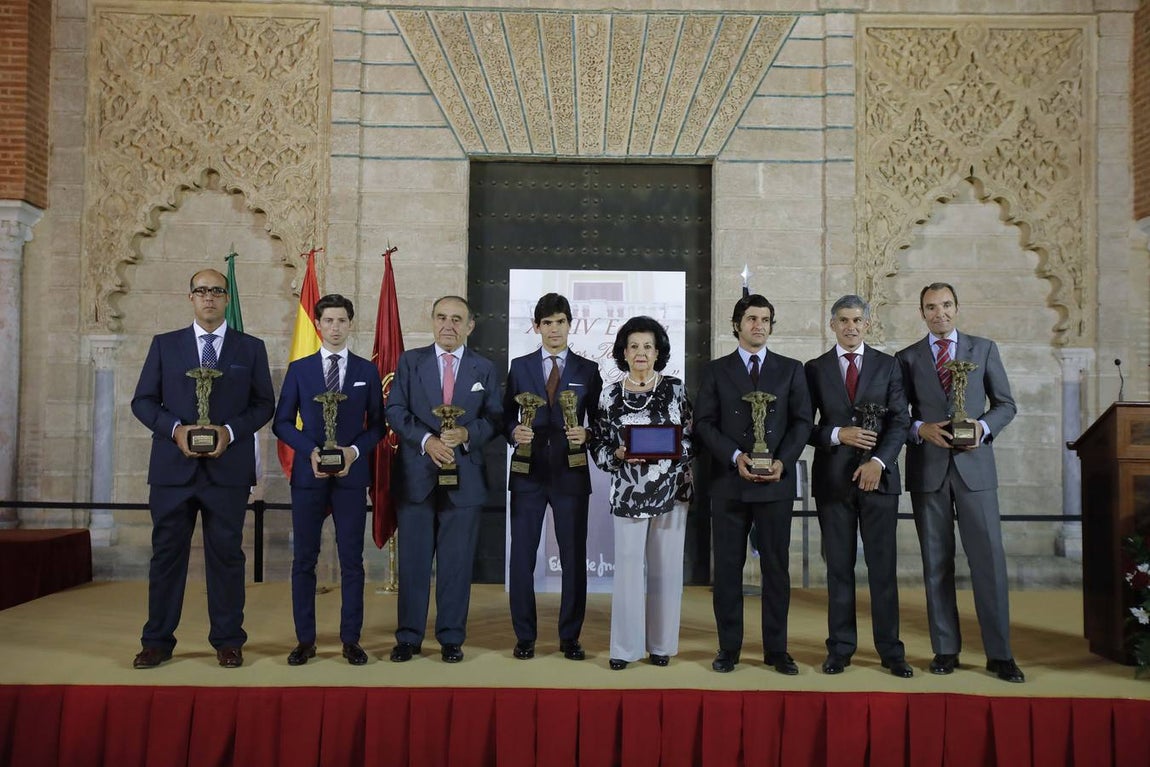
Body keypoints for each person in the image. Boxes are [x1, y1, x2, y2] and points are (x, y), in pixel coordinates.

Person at [130, 268, 275, 669]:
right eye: (201, 291)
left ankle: (228, 641)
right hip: (172, 472)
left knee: (227, 556)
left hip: (228, 472)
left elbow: (264, 404)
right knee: (166, 556)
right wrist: (175, 430)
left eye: (216, 291)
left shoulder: (250, 348)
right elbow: (142, 401)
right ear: (190, 297)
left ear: (227, 298)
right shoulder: (165, 345)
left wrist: (230, 431)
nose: (208, 297)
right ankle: (157, 641)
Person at [896, 282, 1024, 683]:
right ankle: (946, 649)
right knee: (936, 562)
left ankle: (1000, 654)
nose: (940, 313)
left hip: (976, 470)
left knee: (989, 563)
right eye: (931, 307)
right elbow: (898, 414)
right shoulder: (906, 358)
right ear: (922, 313)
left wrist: (981, 429)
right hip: (928, 470)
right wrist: (920, 429)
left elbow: (1006, 405)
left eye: (946, 305)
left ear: (957, 307)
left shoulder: (983, 349)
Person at [695, 293, 812, 674]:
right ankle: (728, 648)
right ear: (737, 325)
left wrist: (782, 461)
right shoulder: (716, 370)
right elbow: (704, 424)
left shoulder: (791, 369)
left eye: (765, 320)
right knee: (728, 569)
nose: (758, 325)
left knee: (776, 569)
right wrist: (734, 456)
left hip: (775, 483)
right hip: (729, 482)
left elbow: (802, 422)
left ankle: (777, 650)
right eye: (751, 319)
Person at [386, 295, 502, 664]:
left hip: (465, 480)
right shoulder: (410, 361)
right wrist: (427, 441)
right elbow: (395, 409)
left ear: (470, 326)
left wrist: (468, 434)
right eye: (441, 317)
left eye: (456, 319)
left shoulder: (485, 368)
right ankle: (408, 637)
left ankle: (451, 637)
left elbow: (495, 417)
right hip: (417, 477)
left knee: (456, 564)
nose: (448, 325)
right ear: (432, 321)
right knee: (413, 563)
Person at [273, 294, 385, 666]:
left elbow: (378, 427)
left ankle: (351, 639)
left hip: (351, 479)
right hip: (309, 477)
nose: (335, 327)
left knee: (352, 560)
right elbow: (282, 423)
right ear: (318, 324)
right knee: (304, 560)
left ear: (350, 323)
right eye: (329, 321)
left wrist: (352, 452)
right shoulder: (300, 369)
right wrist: (310, 451)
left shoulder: (367, 371)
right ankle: (305, 640)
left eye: (341, 320)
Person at [805, 295, 912, 678]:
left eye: (857, 320)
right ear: (832, 324)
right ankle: (840, 649)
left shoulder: (889, 365)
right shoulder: (814, 369)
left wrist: (878, 463)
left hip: (879, 482)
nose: (850, 327)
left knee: (883, 569)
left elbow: (900, 421)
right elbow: (804, 426)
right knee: (838, 568)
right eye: (843, 320)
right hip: (833, 482)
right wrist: (838, 434)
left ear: (868, 324)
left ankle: (891, 651)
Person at [503, 293, 602, 661]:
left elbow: (601, 423)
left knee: (574, 557)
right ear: (536, 327)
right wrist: (513, 431)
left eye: (560, 322)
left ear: (570, 324)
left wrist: (587, 434)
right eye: (547, 323)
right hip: (527, 473)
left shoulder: (588, 370)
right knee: (522, 557)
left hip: (570, 473)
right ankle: (525, 636)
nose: (554, 329)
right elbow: (504, 416)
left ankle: (570, 636)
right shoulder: (519, 367)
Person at [589, 316, 692, 670]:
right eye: (634, 346)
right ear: (623, 352)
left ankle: (661, 646)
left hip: (670, 491)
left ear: (658, 351)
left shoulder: (676, 389)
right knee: (628, 570)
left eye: (648, 346)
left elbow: (691, 438)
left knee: (666, 571)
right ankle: (625, 648)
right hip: (627, 493)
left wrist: (671, 452)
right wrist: (617, 455)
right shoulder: (609, 394)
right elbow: (598, 444)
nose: (641, 352)